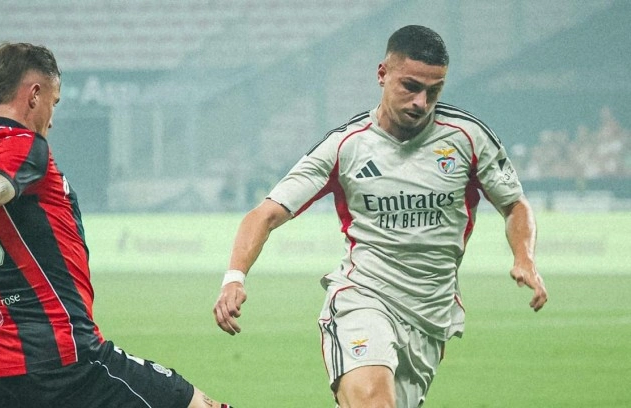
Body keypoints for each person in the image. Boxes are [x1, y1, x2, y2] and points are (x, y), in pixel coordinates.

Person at [213, 25, 548, 408]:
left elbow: (514, 204)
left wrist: (524, 257)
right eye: (410, 86)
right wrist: (234, 278)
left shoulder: (468, 138)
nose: (421, 102)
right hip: (362, 298)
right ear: (382, 74)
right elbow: (264, 214)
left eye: (434, 91)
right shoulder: (345, 146)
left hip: (430, 316)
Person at [0, 42, 234, 408]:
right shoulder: (21, 142)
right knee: (194, 404)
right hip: (63, 359)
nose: (51, 118)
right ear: (34, 95)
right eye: (54, 101)